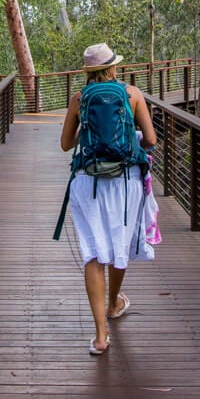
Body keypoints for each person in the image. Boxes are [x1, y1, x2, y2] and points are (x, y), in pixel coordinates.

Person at [60, 43, 157, 355]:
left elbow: (65, 145)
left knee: (92, 253)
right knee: (118, 245)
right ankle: (114, 303)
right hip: (126, 180)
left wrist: (86, 133)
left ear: (88, 71)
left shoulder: (79, 99)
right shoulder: (132, 94)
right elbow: (152, 140)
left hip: (88, 181)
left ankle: (101, 337)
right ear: (113, 67)